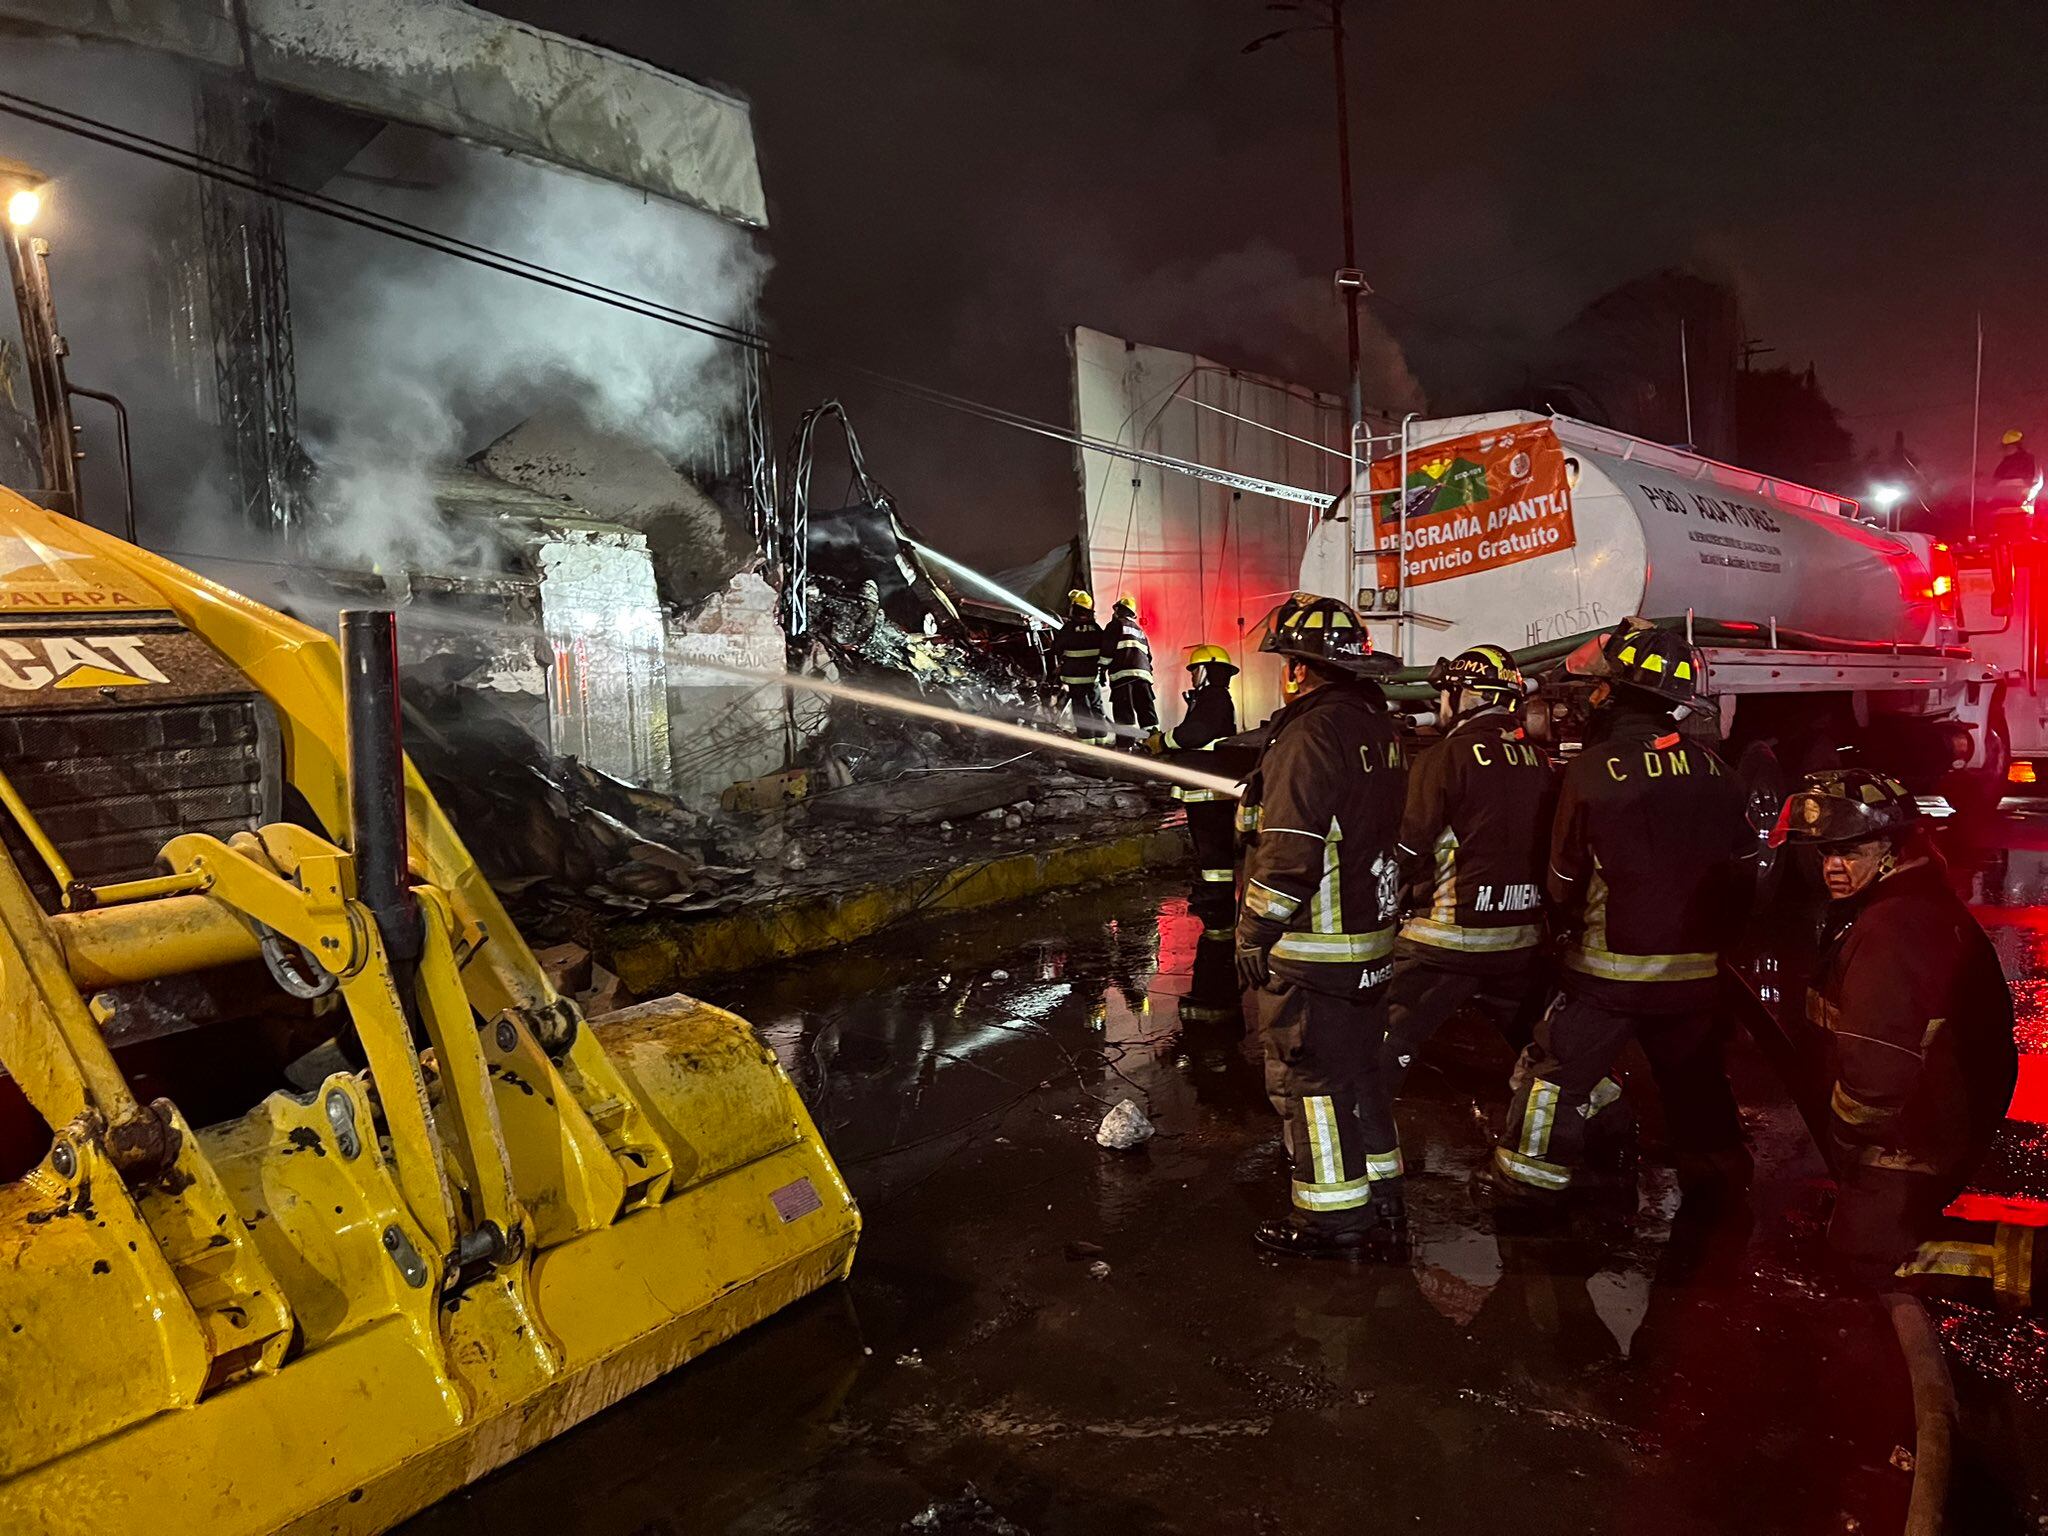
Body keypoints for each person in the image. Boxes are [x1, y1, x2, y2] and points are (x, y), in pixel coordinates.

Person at [1491, 624, 1756, 1202]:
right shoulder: (1723, 775)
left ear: (1615, 694)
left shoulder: (1591, 772)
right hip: (1693, 978)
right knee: (1696, 1080)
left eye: (1602, 686)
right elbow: (1743, 872)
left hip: (1609, 973)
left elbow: (1563, 876)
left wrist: (1556, 934)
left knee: (1554, 1074)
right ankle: (1719, 1184)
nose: (1594, 696)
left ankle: (1526, 1188)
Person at [1772, 770, 2037, 1305]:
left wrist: (1847, 1146)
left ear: (1892, 849)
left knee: (1865, 1260)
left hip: (1910, 1133)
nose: (1833, 868)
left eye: (1849, 852)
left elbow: (1877, 1074)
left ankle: (2037, 1267)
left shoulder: (1893, 930)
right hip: (1927, 1116)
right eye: (1826, 855)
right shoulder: (1897, 905)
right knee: (1857, 1236)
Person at [1235, 594, 1408, 1258]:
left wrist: (1253, 933)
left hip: (1316, 949)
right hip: (1368, 942)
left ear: (1300, 669)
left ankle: (1332, 1221)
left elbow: (1289, 852)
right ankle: (1381, 1197)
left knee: (1313, 1083)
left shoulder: (1309, 735)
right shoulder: (1375, 725)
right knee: (1360, 1073)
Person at [1381, 647, 1556, 1128]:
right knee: (1546, 1051)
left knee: (1382, 1039)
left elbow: (1408, 851)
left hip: (1447, 940)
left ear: (1469, 694)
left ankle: (1364, 1152)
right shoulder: (1538, 760)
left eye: (1445, 694)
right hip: (1520, 940)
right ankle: (1594, 1137)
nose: (1440, 704)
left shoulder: (1445, 758)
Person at [1160, 643, 1240, 907]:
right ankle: (1211, 890)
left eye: (1195, 670)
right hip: (1204, 787)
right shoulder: (1209, 699)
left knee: (1211, 843)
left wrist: (1163, 742)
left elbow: (1194, 734)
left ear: (1207, 670)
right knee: (1207, 843)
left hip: (1208, 790)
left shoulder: (1214, 699)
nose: (1192, 676)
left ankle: (1216, 896)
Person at [1053, 589, 1112, 746]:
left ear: (1075, 609)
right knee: (1096, 704)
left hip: (1075, 675)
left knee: (1081, 706)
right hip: (1093, 675)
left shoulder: (1069, 628)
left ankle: (1086, 738)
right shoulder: (1097, 628)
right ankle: (1101, 736)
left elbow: (1056, 648)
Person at [1101, 594, 1159, 738]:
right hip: (1144, 677)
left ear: (1119, 610)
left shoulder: (1115, 625)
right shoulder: (1140, 631)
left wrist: (1102, 669)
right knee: (1147, 712)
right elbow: (1148, 656)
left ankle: (1126, 747)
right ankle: (1154, 743)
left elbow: (1107, 651)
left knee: (1124, 713)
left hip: (1123, 677)